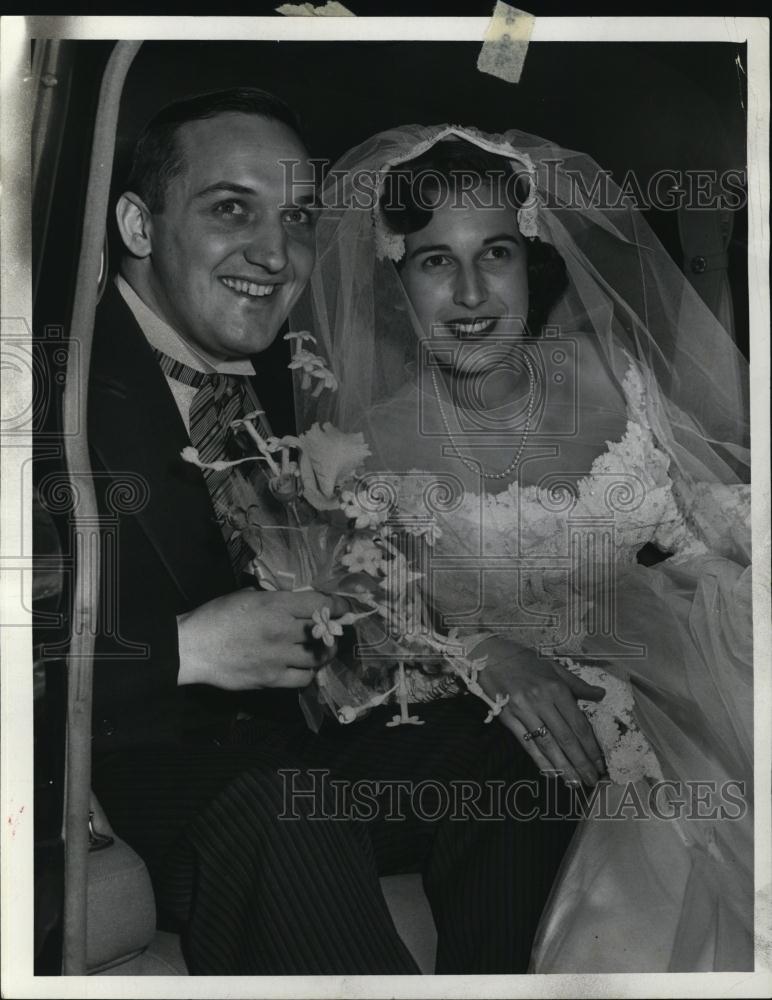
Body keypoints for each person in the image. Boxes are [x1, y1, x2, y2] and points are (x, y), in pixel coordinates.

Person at [86, 91, 582, 975]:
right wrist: (183, 649)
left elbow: (361, 577)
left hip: (293, 738)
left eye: (297, 218)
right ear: (136, 222)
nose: (275, 255)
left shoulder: (296, 365)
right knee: (281, 807)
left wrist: (471, 650)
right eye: (230, 209)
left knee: (502, 747)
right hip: (130, 767)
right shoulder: (39, 389)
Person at [298, 124, 754, 971]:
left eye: (495, 253)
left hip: (697, 662)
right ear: (397, 281)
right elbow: (360, 645)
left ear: (531, 256)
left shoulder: (610, 369)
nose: (472, 293)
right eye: (436, 260)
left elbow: (702, 521)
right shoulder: (366, 445)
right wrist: (479, 650)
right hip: (550, 736)